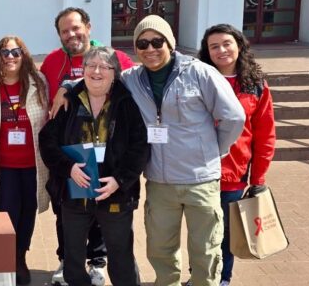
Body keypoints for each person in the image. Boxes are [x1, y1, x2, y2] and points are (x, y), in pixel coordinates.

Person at [52, 15, 246, 286]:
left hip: (199, 179)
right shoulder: (132, 78)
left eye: (157, 41)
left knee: (204, 252)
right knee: (161, 253)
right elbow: (96, 77)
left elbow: (234, 118)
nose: (150, 49)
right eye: (143, 44)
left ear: (170, 42)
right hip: (159, 180)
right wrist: (66, 87)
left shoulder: (199, 72)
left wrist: (213, 151)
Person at [39, 46, 149, 286]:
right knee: (73, 258)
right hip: (76, 193)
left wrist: (120, 180)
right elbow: (47, 140)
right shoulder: (69, 101)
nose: (96, 71)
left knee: (121, 258)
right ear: (83, 70)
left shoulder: (127, 103)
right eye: (91, 66)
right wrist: (68, 168)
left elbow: (140, 146)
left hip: (115, 194)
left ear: (114, 72)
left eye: (104, 66)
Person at [198, 24, 276, 286]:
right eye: (214, 46)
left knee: (225, 232)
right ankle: (199, 275)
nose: (221, 50)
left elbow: (265, 134)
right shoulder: (200, 79)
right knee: (201, 231)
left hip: (234, 173)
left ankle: (222, 278)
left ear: (239, 45)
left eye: (226, 43)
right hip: (199, 170)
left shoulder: (255, 85)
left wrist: (259, 177)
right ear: (207, 52)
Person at [0, 36, 49, 285]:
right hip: (3, 166)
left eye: (16, 52)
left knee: (28, 213)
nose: (10, 57)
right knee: (6, 214)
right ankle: (9, 258)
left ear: (23, 55)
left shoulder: (38, 82)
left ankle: (20, 256)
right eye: (5, 52)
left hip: (33, 164)